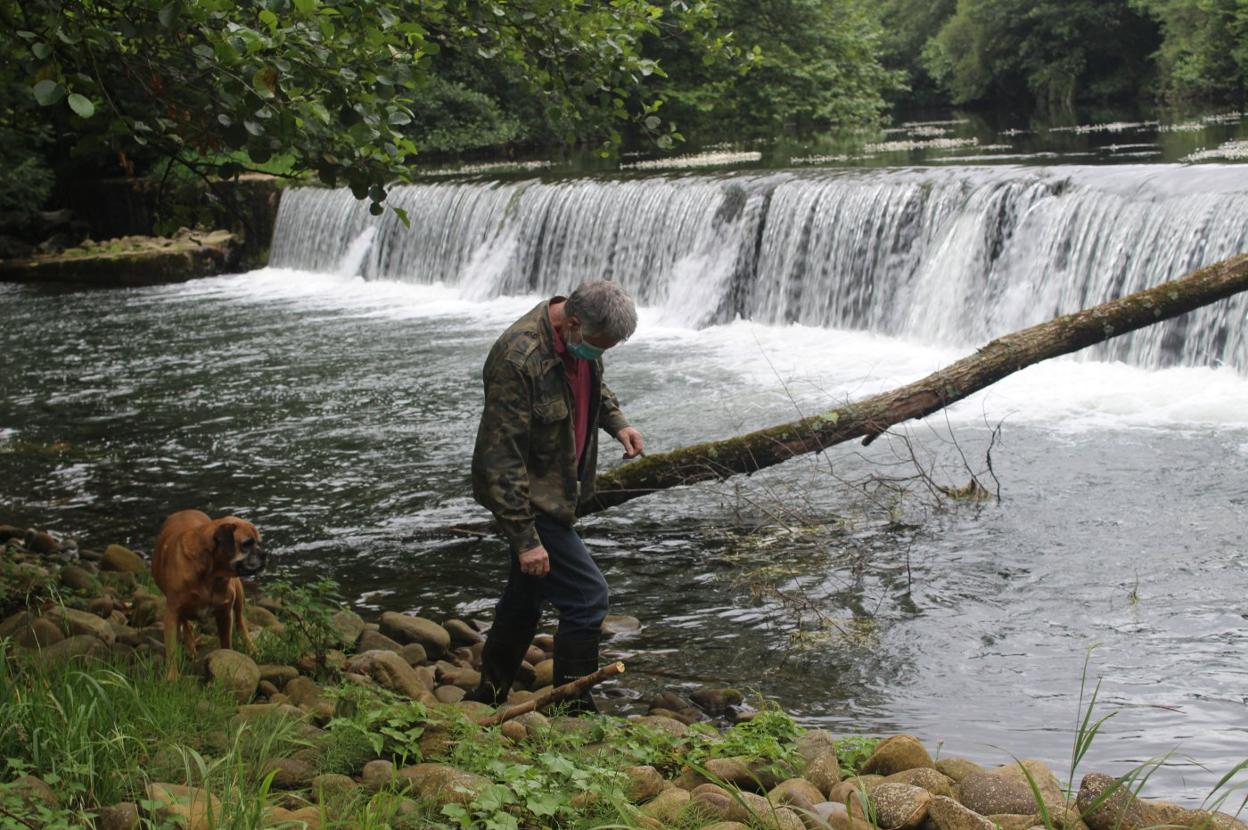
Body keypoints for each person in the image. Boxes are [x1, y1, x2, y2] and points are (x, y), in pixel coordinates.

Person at [466, 280, 644, 713]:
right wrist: (525, 539)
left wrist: (617, 423)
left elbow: (593, 386)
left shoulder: (578, 342)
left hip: (561, 492)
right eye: (599, 346)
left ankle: (489, 694)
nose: (600, 355)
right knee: (587, 597)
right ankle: (574, 709)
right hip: (532, 500)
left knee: (525, 597)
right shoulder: (519, 358)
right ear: (575, 324)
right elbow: (499, 457)